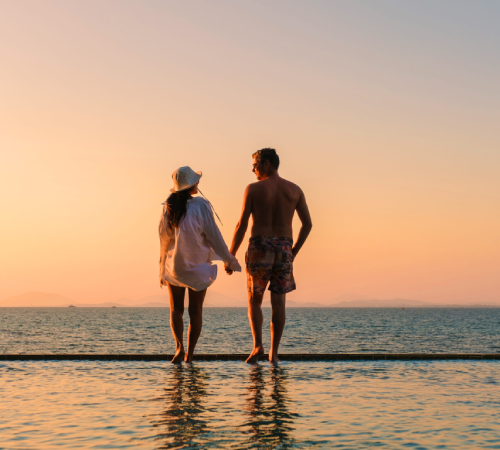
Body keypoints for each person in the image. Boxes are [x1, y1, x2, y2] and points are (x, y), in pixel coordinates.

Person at [227, 149, 312, 363]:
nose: (253, 169)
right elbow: (307, 224)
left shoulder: (253, 189)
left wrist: (231, 255)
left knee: (254, 300)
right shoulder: (295, 190)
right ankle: (274, 354)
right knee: (279, 303)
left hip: (260, 246)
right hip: (284, 248)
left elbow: (242, 225)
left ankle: (258, 346)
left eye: (255, 164)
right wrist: (293, 251)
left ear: (266, 164)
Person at [159, 166, 241, 363]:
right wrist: (229, 260)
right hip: (198, 267)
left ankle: (179, 347)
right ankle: (190, 355)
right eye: (196, 180)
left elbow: (164, 239)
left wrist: (161, 268)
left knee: (175, 309)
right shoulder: (201, 205)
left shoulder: (169, 206)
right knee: (195, 311)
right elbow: (214, 236)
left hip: (175, 266)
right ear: (192, 184)